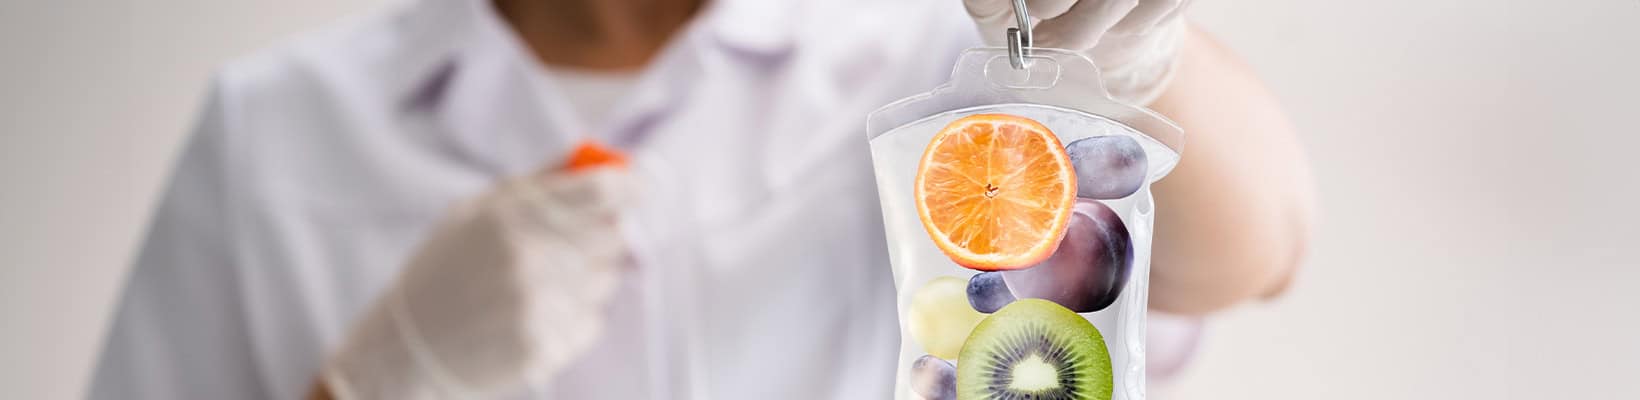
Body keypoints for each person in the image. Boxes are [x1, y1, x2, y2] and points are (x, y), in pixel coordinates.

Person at [88, 0, 1314, 398]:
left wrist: (1131, 59)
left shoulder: (923, 51)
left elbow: (1259, 248)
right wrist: (366, 383)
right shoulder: (285, 127)